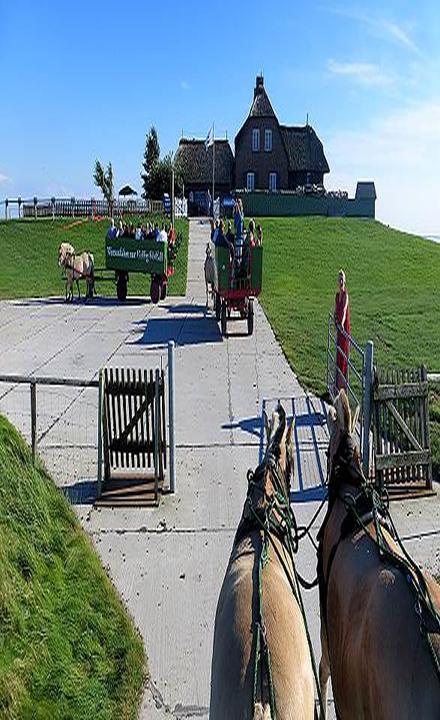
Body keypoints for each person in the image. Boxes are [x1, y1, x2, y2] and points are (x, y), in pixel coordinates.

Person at [334, 269, 350, 390]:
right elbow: (336, 310)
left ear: (344, 281)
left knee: (343, 353)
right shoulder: (337, 295)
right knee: (338, 352)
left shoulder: (345, 295)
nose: (340, 282)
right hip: (339, 327)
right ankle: (338, 383)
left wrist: (342, 323)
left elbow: (344, 310)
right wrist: (335, 319)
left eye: (342, 280)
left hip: (343, 328)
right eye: (339, 279)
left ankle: (342, 384)